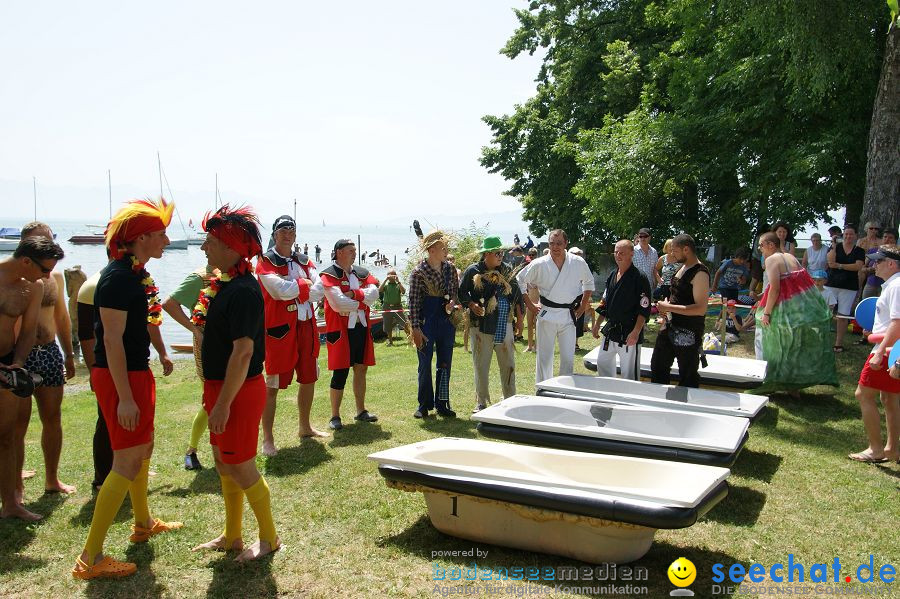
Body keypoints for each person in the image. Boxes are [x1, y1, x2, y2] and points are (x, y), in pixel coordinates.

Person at [73, 198, 181, 580]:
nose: (167, 240)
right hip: (121, 377)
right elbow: (112, 341)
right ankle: (91, 557)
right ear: (141, 238)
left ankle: (143, 523)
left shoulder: (134, 273)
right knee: (126, 461)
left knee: (142, 449)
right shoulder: (119, 277)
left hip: (135, 372)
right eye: (161, 234)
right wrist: (127, 397)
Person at [189, 204, 280, 562]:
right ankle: (232, 535)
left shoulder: (243, 290)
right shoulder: (224, 284)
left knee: (241, 465)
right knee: (225, 463)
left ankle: (270, 538)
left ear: (231, 248)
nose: (203, 247)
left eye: (209, 241)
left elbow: (243, 353)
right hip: (222, 388)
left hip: (239, 391)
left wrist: (224, 402)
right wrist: (214, 395)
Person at [0, 238, 61, 520]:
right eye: (45, 270)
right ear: (26, 261)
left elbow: (26, 333)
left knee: (7, 437)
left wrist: (18, 363)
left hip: (8, 365)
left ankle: (10, 505)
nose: (48, 277)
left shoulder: (33, 288)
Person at [256, 216, 327, 456]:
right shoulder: (266, 261)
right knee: (273, 383)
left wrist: (295, 285)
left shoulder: (305, 260)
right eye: (282, 230)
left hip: (306, 325)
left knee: (309, 377)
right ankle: (268, 438)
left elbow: (321, 289)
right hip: (280, 330)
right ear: (275, 235)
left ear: (295, 236)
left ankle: (304, 427)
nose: (287, 234)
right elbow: (278, 291)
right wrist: (304, 285)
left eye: (291, 230)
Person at [16, 223, 76, 496]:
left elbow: (62, 317)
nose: (45, 244)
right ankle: (14, 477)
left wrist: (69, 355)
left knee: (53, 417)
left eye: (49, 239)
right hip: (19, 355)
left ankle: (52, 479)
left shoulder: (55, 278)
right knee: (16, 422)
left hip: (50, 352)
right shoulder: (12, 279)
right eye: (38, 240)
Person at [755, 232, 837, 393]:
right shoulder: (791, 257)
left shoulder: (771, 259)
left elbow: (775, 289)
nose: (760, 248)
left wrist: (767, 313)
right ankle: (793, 387)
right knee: (793, 347)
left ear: (771, 245)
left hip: (781, 311)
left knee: (770, 344)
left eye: (761, 245)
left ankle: (770, 381)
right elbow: (805, 284)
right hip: (797, 311)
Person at [516, 229, 594, 383]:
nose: (555, 247)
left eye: (559, 243)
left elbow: (589, 283)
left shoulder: (577, 262)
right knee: (544, 357)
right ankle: (543, 388)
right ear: (548, 244)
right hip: (547, 313)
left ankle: (565, 389)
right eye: (552, 243)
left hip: (568, 315)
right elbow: (519, 280)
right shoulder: (539, 263)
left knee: (567, 357)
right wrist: (529, 304)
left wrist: (583, 304)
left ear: (566, 243)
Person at [847, 244, 900, 463]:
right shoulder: (892, 285)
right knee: (889, 398)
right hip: (889, 347)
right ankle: (892, 449)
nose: (873, 265)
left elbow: (897, 323)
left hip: (886, 349)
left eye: (878, 261)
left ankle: (876, 449)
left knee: (863, 394)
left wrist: (879, 352)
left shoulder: (896, 285)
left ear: (891, 264)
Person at [458, 236, 523, 412]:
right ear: (486, 254)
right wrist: (472, 305)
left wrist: (520, 320)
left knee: (508, 363)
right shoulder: (473, 271)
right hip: (480, 325)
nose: (501, 256)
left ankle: (510, 398)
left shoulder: (507, 270)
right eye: (497, 253)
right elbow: (462, 293)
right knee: (481, 364)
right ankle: (481, 402)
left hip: (504, 323)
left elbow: (517, 296)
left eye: (502, 252)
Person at [319, 239, 379, 429]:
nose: (354, 253)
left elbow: (374, 294)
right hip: (341, 330)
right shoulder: (329, 274)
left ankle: (360, 410)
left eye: (354, 250)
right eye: (350, 250)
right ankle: (334, 416)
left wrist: (353, 295)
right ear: (338, 252)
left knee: (361, 368)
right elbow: (338, 303)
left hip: (360, 327)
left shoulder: (360, 272)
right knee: (340, 371)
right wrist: (361, 299)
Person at [162, 263, 216, 469]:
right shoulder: (198, 278)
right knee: (210, 400)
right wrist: (195, 330)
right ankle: (192, 450)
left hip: (230, 347)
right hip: (207, 347)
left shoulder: (233, 273)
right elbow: (169, 304)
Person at [409, 231, 459, 418]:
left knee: (445, 362)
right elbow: (413, 303)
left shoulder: (450, 269)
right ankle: (423, 405)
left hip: (446, 320)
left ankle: (443, 403)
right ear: (431, 250)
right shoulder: (418, 272)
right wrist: (415, 328)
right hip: (425, 321)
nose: (446, 250)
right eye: (442, 247)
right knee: (424, 363)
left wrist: (452, 303)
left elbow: (455, 293)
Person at [651, 234, 710, 388]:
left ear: (686, 249)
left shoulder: (700, 273)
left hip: (688, 331)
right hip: (670, 325)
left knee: (688, 374)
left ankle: (687, 408)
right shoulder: (681, 267)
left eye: (675, 251)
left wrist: (668, 307)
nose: (672, 254)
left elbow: (700, 308)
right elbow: (677, 296)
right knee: (658, 366)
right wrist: (666, 307)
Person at [591, 240, 651, 380]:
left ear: (631, 254)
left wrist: (636, 332)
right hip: (611, 329)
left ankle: (629, 399)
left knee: (629, 372)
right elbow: (605, 302)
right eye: (616, 252)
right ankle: (607, 394)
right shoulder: (612, 274)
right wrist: (597, 324)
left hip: (630, 331)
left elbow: (644, 308)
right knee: (602, 363)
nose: (618, 255)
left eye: (622, 253)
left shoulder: (639, 278)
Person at [77, 261, 112, 490]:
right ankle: (102, 477)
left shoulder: (131, 277)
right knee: (107, 421)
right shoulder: (92, 286)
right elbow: (85, 334)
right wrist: (92, 369)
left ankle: (125, 468)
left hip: (129, 364)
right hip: (104, 365)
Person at [824, 225, 865, 352]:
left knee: (843, 315)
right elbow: (830, 262)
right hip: (831, 284)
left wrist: (840, 265)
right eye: (846, 234)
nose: (848, 236)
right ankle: (823, 341)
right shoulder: (835, 247)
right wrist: (834, 244)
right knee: (826, 313)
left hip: (849, 286)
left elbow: (858, 266)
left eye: (851, 234)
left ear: (855, 236)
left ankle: (838, 343)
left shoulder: (859, 251)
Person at [379, 269, 407, 346]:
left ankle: (410, 339)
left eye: (393, 275)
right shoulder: (386, 285)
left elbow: (403, 291)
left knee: (404, 323)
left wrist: (398, 281)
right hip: (387, 306)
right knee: (388, 325)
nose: (391, 277)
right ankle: (390, 341)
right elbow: (380, 290)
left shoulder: (398, 285)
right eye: (389, 275)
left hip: (397, 306)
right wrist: (385, 280)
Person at [633, 228, 658, 294]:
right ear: (638, 237)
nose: (643, 238)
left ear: (650, 237)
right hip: (635, 286)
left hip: (650, 287)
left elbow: (655, 268)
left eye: (645, 236)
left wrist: (656, 282)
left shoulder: (654, 252)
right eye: (641, 236)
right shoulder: (632, 251)